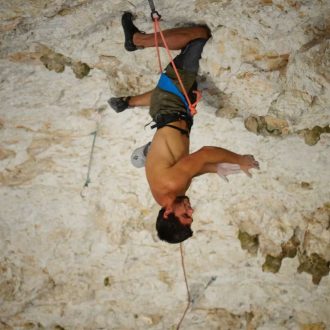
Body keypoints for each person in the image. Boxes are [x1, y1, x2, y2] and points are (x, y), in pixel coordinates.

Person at [109, 12, 259, 244]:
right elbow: (190, 168)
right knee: (179, 88)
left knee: (198, 37)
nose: (192, 211)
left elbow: (206, 152)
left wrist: (240, 159)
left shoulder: (172, 185)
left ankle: (137, 41)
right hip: (171, 112)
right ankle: (128, 102)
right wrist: (214, 168)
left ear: (168, 213)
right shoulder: (166, 196)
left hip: (171, 104)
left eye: (186, 216)